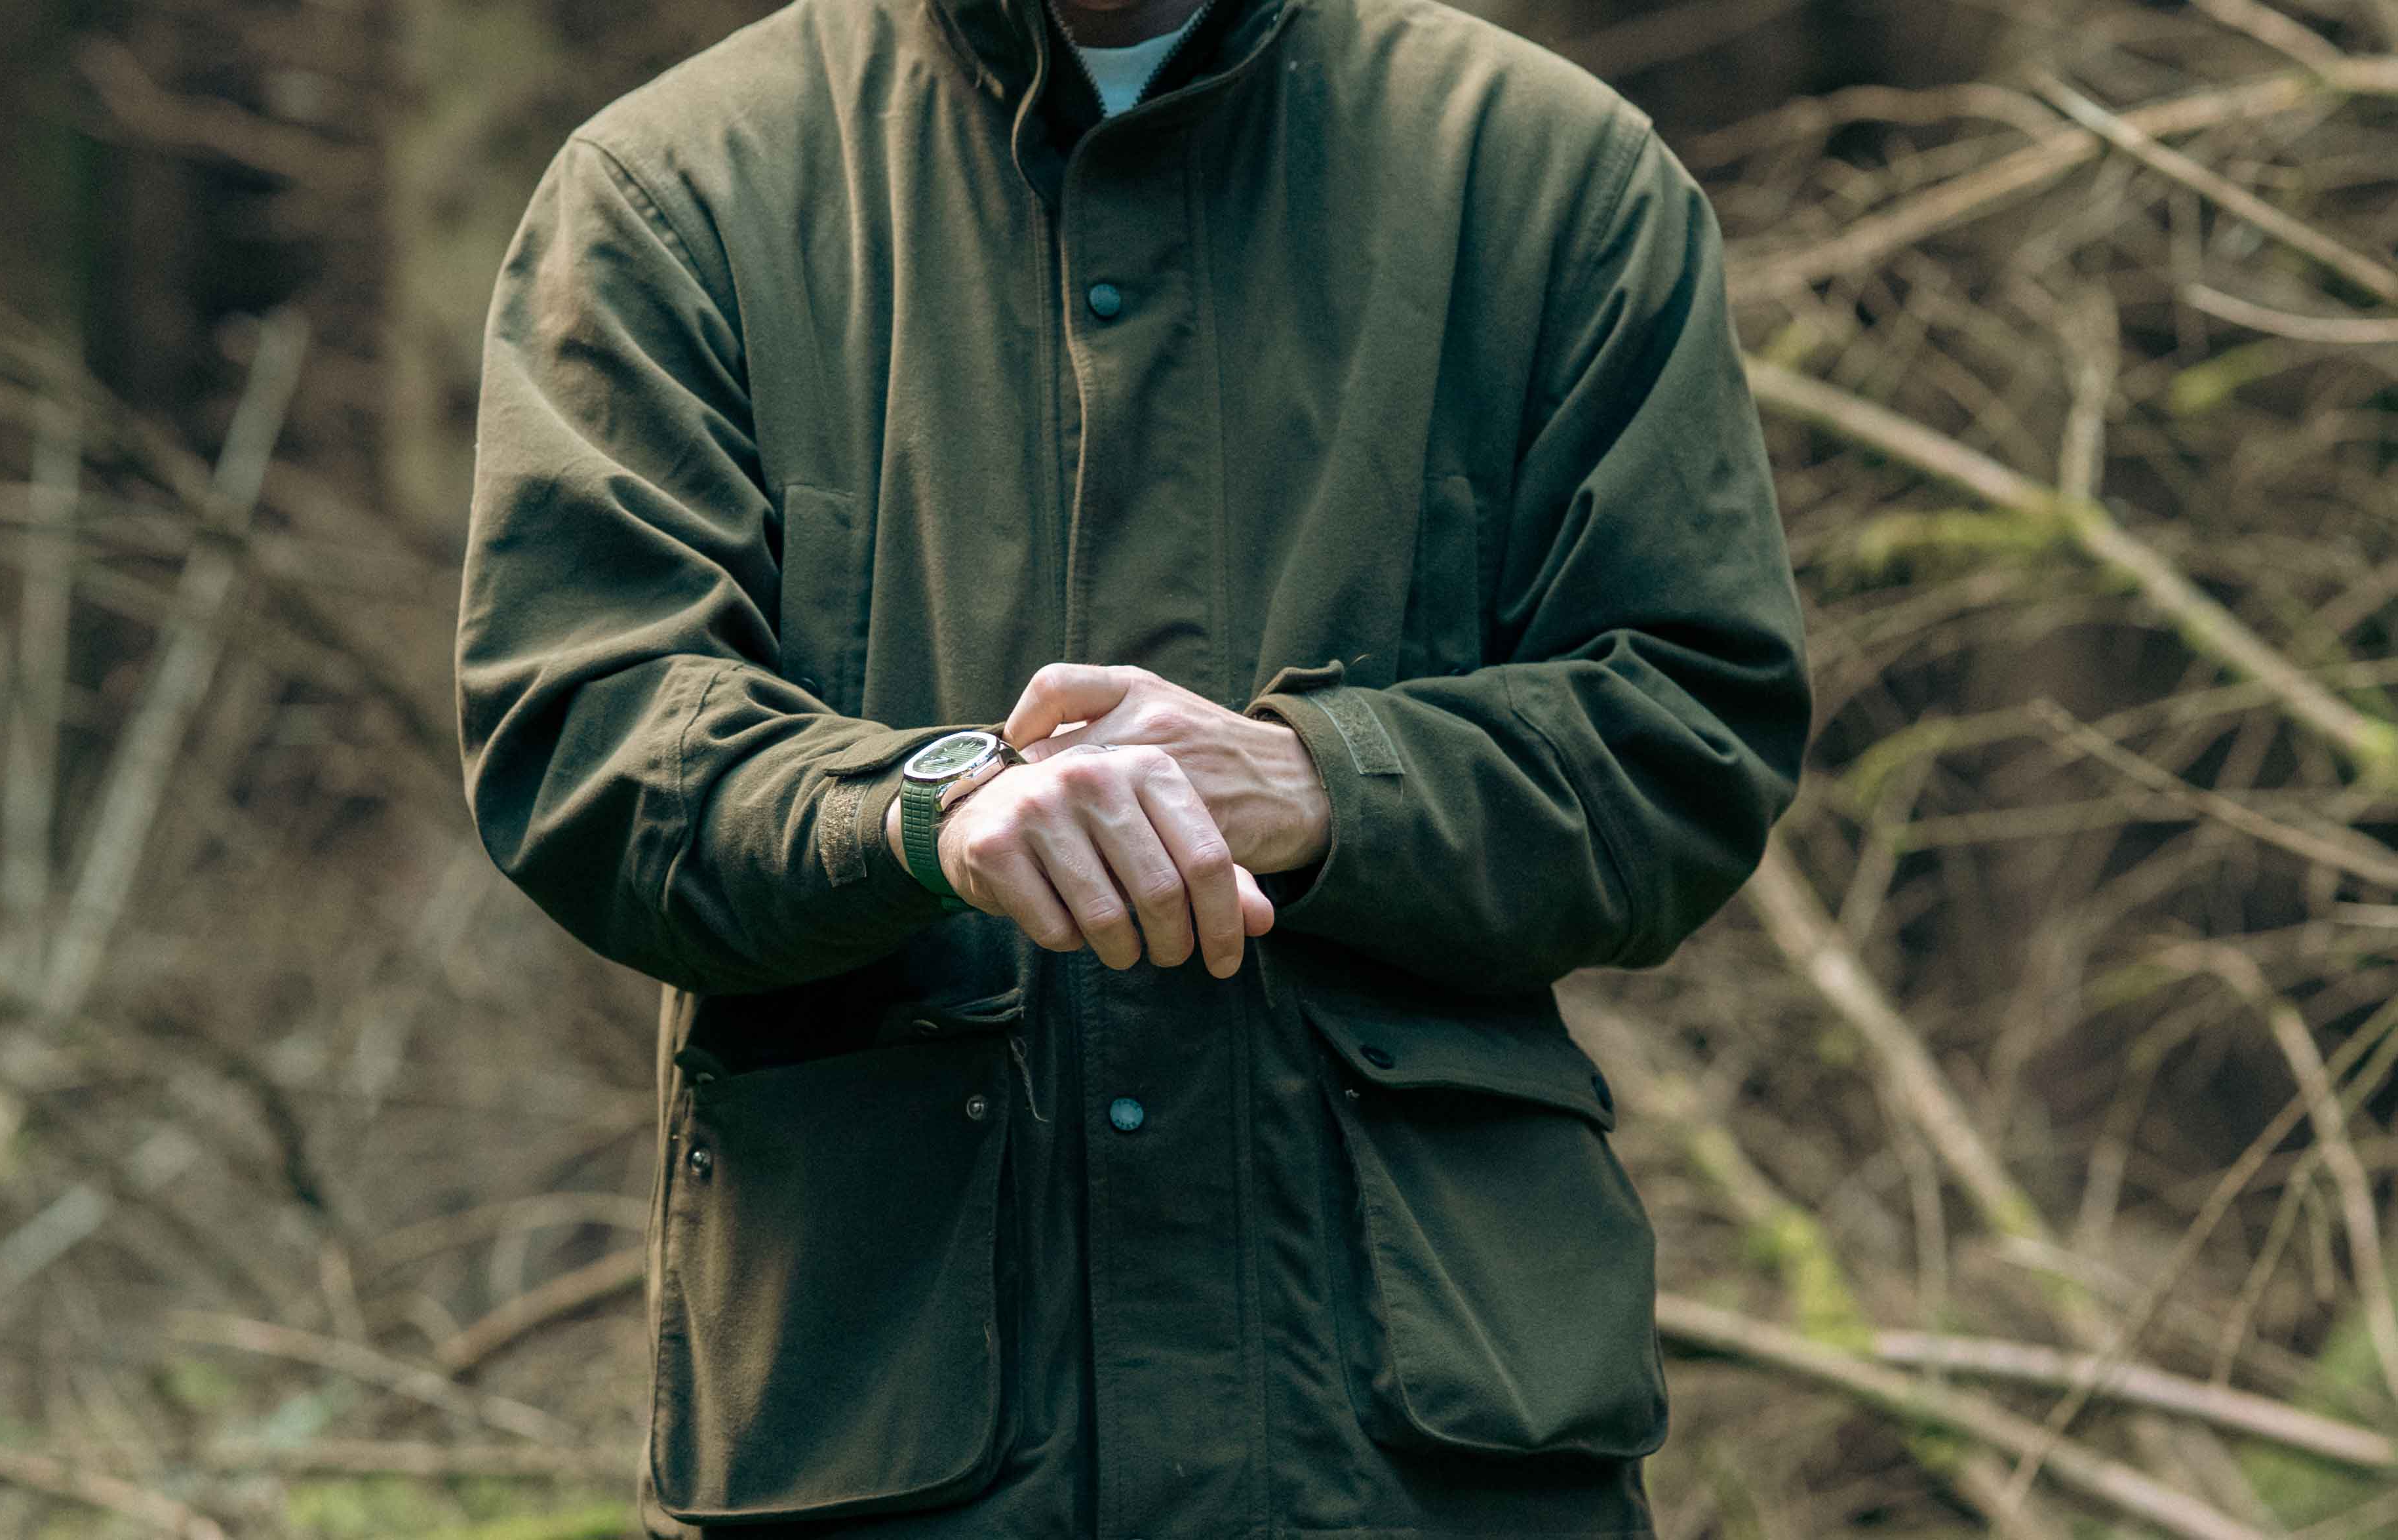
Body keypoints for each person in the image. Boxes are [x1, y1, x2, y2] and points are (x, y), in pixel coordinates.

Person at [453, 0, 1813, 1533]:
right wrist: (925, 805)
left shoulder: (1546, 171)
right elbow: (584, 730)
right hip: (887, 1452)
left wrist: (1326, 778)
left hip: (1413, 1462)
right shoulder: (673, 189)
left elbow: (1692, 723)